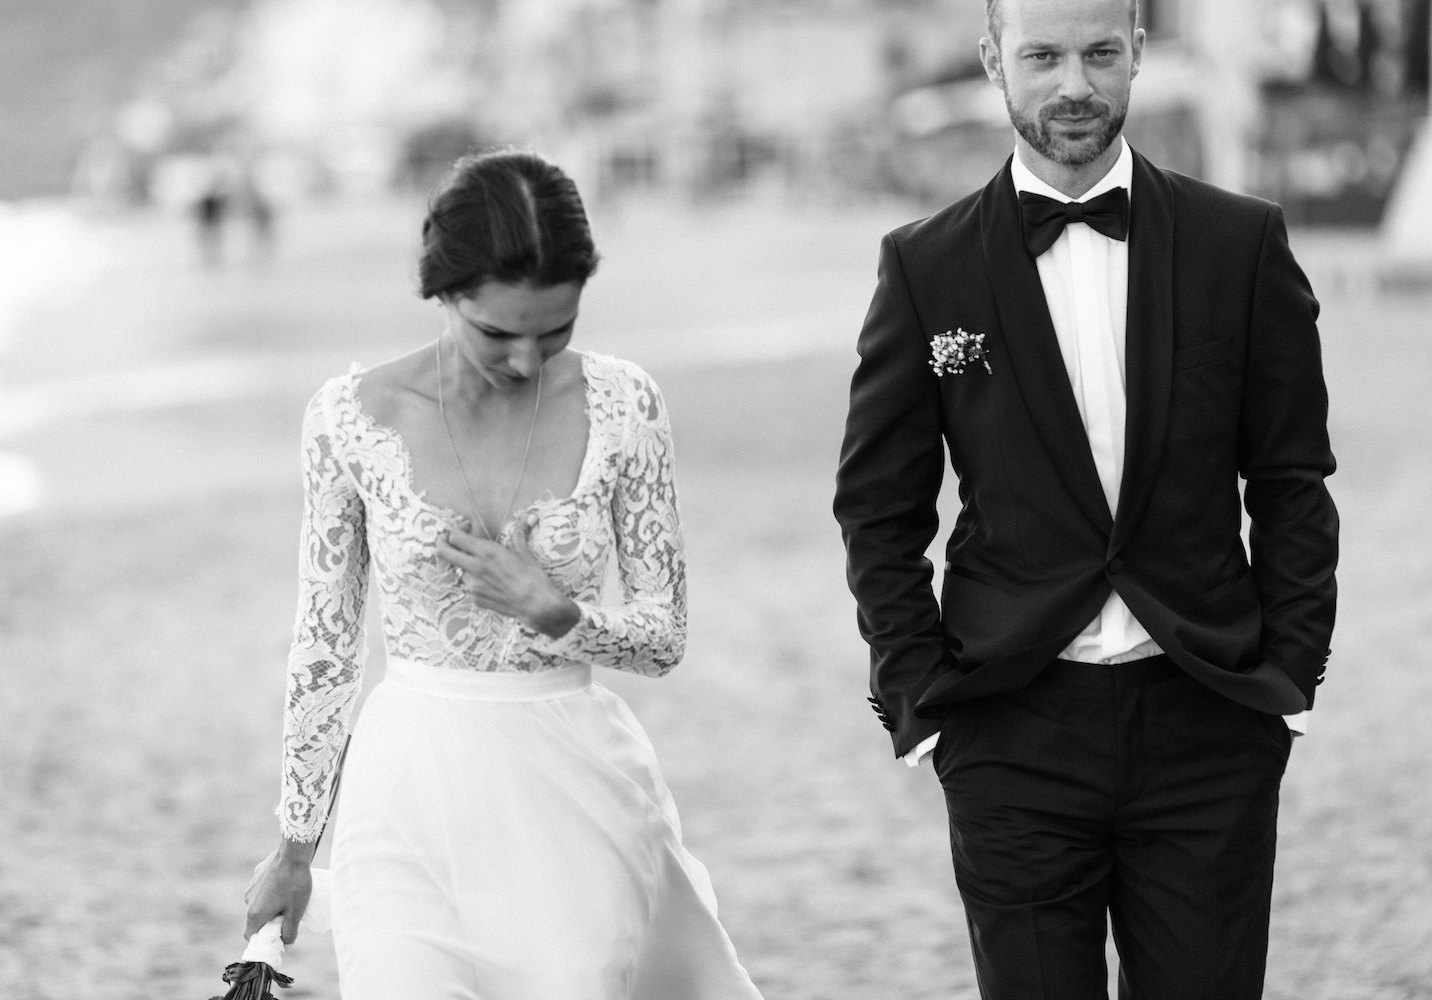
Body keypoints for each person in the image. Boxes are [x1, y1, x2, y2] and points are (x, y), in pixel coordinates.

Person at [833, 0, 1338, 997]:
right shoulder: (925, 266)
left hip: (1206, 713)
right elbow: (879, 506)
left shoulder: (1242, 244)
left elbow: (1290, 479)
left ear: (1139, 54)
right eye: (1044, 56)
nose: (1074, 84)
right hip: (1010, 726)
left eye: (1102, 53)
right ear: (993, 60)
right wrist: (920, 699)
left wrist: (1287, 677)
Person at [244, 149, 764, 1000]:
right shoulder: (346, 420)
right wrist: (296, 848)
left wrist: (562, 615)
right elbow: (326, 647)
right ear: (443, 291)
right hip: (406, 786)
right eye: (498, 332)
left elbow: (665, 637)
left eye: (554, 330)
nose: (527, 358)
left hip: (571, 789)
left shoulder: (626, 406)